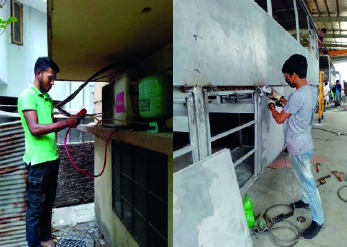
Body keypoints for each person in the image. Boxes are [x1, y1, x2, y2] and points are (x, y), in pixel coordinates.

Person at [18, 57, 81, 247]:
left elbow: (51, 125)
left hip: (52, 159)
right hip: (37, 163)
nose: (53, 82)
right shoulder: (27, 95)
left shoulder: (47, 98)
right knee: (34, 210)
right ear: (38, 74)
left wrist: (70, 121)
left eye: (54, 79)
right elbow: (35, 128)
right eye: (50, 77)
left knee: (47, 205)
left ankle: (45, 239)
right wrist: (66, 123)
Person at [267, 54, 324, 239]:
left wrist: (271, 105)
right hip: (306, 144)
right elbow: (294, 106)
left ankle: (319, 221)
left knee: (308, 185)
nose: (286, 79)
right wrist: (280, 99)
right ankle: (306, 202)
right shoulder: (310, 91)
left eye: (287, 76)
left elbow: (279, 119)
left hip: (298, 149)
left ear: (294, 75)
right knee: (307, 178)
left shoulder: (297, 96)